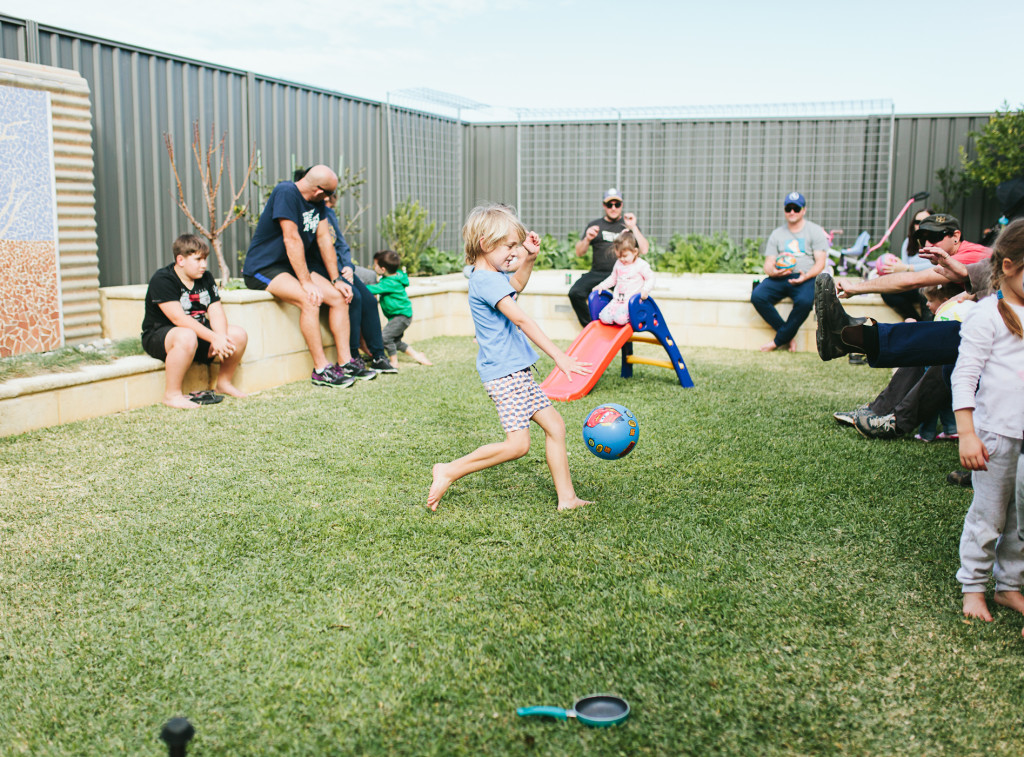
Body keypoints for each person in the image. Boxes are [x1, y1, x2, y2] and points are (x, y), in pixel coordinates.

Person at [427, 203, 593, 512]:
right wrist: (560, 356)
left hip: (517, 372)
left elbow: (515, 285)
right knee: (517, 445)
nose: (514, 252)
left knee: (555, 427)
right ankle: (448, 470)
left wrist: (528, 259)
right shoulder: (487, 281)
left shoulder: (487, 275)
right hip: (506, 375)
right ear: (485, 244)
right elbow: (522, 320)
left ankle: (567, 498)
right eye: (510, 246)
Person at [950, 219, 1024, 622]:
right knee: (988, 518)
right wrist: (967, 434)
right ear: (1009, 266)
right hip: (995, 436)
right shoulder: (986, 316)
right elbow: (964, 377)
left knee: (1019, 523)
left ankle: (1008, 586)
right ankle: (974, 587)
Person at [241, 164, 369, 388]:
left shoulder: (317, 203)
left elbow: (324, 241)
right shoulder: (286, 192)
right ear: (320, 191)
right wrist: (306, 283)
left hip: (292, 265)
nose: (330, 199)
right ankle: (321, 369)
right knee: (310, 299)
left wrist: (336, 279)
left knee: (339, 298)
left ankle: (345, 362)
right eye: (329, 194)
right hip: (265, 267)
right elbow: (291, 239)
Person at [141, 234, 248, 409]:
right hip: (161, 336)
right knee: (187, 336)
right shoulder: (163, 279)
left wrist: (220, 337)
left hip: (196, 336)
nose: (204, 265)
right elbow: (178, 318)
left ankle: (223, 383)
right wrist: (213, 337)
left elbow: (216, 311)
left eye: (205, 259)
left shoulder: (205, 278)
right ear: (180, 260)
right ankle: (172, 394)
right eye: (198, 259)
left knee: (237, 335)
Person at [750, 192, 829, 352]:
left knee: (805, 302)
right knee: (758, 296)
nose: (792, 212)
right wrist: (774, 272)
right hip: (781, 277)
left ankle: (778, 341)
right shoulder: (777, 234)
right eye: (788, 208)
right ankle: (788, 336)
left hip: (806, 277)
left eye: (796, 208)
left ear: (803, 210)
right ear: (785, 210)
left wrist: (806, 276)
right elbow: (768, 264)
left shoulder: (814, 231)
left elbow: (820, 263)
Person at [568, 188, 649, 327]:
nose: (613, 208)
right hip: (598, 273)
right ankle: (591, 327)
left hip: (623, 275)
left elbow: (644, 250)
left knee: (627, 303)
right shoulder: (595, 225)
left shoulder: (628, 227)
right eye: (609, 204)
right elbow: (579, 253)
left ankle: (625, 344)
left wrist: (634, 227)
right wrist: (587, 239)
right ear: (604, 206)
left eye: (617, 204)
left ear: (621, 205)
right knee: (575, 293)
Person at [367, 249, 432, 368]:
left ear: (383, 269)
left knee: (385, 337)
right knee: (395, 341)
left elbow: (370, 290)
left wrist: (356, 285)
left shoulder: (389, 283)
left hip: (400, 316)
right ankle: (418, 356)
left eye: (375, 265)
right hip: (402, 315)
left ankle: (394, 362)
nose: (373, 266)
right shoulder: (397, 276)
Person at [878, 207, 935, 321]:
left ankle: (926, 325)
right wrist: (897, 268)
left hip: (931, 284)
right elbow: (904, 269)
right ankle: (915, 321)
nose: (919, 225)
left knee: (925, 291)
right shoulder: (909, 242)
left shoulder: (937, 242)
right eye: (917, 222)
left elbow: (936, 266)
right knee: (887, 292)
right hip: (913, 284)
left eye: (924, 222)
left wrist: (908, 267)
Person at [590, 230, 655, 325]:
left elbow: (651, 278)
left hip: (631, 303)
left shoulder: (640, 265)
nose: (622, 259)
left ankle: (627, 318)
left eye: (625, 256)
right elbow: (613, 278)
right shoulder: (619, 263)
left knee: (620, 319)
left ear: (635, 252)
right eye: (618, 256)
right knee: (604, 318)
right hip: (617, 301)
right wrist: (601, 286)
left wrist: (645, 290)